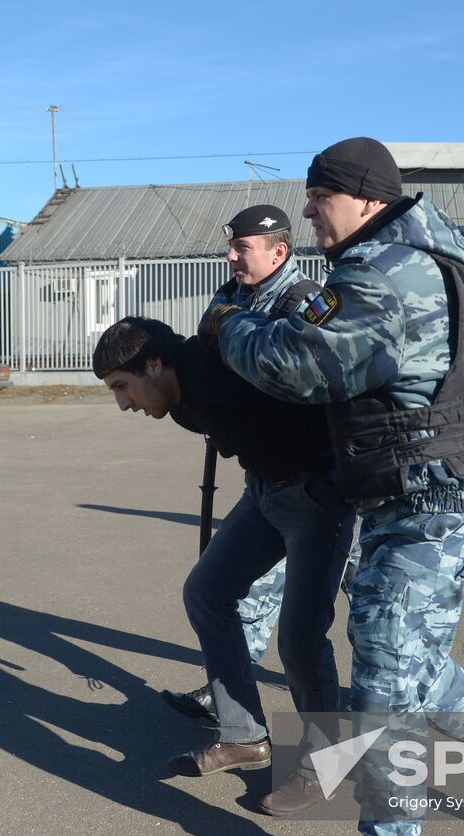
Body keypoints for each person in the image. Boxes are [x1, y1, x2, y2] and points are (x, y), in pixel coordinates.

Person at [202, 137, 464, 836]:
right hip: (411, 494)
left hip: (435, 503)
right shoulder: (395, 261)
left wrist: (230, 327)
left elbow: (300, 366)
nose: (306, 210)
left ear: (362, 197)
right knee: (412, 664)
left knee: (387, 662)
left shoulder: (386, 274)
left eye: (317, 196)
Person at [92, 313, 357, 818]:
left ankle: (326, 761)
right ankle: (245, 735)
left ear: (154, 364)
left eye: (123, 386)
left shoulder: (219, 369)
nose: (123, 403)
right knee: (207, 591)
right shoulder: (178, 400)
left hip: (321, 496)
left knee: (301, 639)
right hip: (266, 490)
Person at [159, 205, 326, 729]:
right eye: (230, 245)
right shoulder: (233, 295)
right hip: (270, 476)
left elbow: (293, 385)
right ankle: (232, 698)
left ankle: (354, 739)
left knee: (376, 633)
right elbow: (209, 364)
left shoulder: (306, 303)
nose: (231, 255)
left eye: (243, 247)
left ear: (280, 251)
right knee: (236, 591)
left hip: (326, 483)